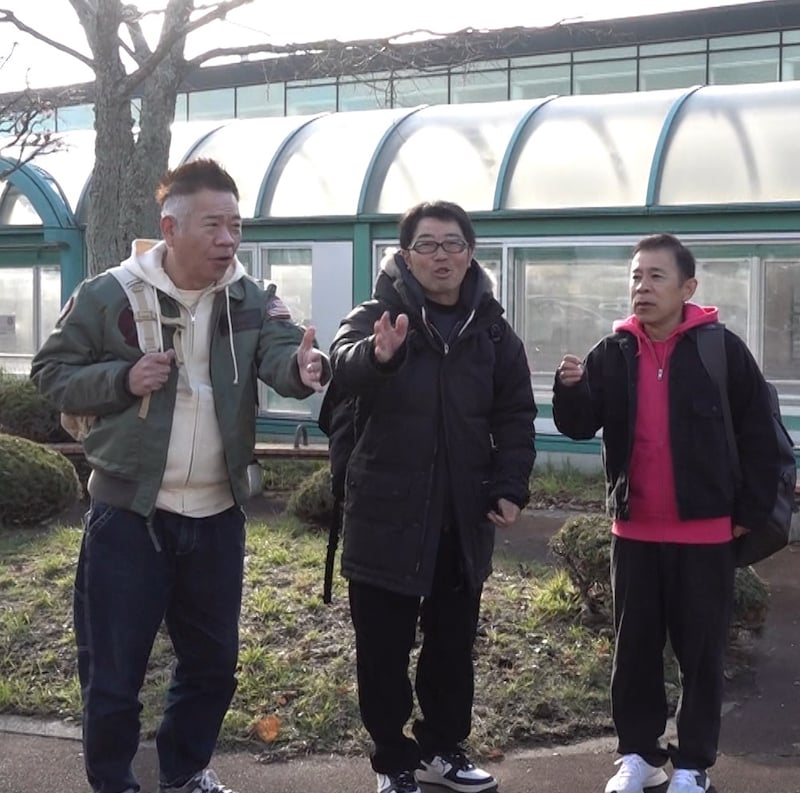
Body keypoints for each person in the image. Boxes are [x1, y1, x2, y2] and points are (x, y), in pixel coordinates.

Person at [30, 158, 329, 793]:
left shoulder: (253, 296)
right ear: (171, 227)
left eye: (237, 226)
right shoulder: (109, 294)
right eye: (214, 226)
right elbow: (50, 373)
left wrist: (304, 369)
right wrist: (122, 379)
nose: (229, 240)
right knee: (113, 673)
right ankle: (113, 782)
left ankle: (186, 770)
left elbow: (279, 354)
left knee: (214, 665)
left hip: (218, 514)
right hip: (128, 516)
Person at [552, 233, 787, 793]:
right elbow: (581, 426)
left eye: (656, 277)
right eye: (636, 276)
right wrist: (570, 392)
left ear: (688, 287)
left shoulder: (719, 350)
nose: (642, 287)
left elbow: (759, 433)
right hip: (632, 531)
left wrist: (751, 511)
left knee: (700, 655)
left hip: (705, 534)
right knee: (633, 652)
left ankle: (693, 764)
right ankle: (639, 755)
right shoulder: (612, 353)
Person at [328, 200, 536, 793]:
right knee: (383, 649)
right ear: (405, 255)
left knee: (451, 646)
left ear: (470, 252)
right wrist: (378, 356)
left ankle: (443, 749)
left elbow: (516, 415)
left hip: (460, 519)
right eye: (427, 244)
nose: (441, 255)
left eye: (452, 243)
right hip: (385, 515)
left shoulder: (493, 331)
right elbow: (343, 366)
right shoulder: (377, 315)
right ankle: (394, 760)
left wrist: (509, 485)